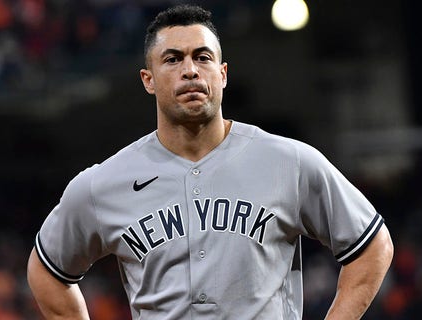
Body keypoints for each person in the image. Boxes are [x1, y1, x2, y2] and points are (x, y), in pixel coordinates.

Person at [27, 4, 394, 319]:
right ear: (148, 80)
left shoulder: (289, 161)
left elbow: (373, 247)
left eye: (202, 57)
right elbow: (47, 272)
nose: (190, 70)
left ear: (222, 74)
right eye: (173, 59)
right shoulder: (103, 183)